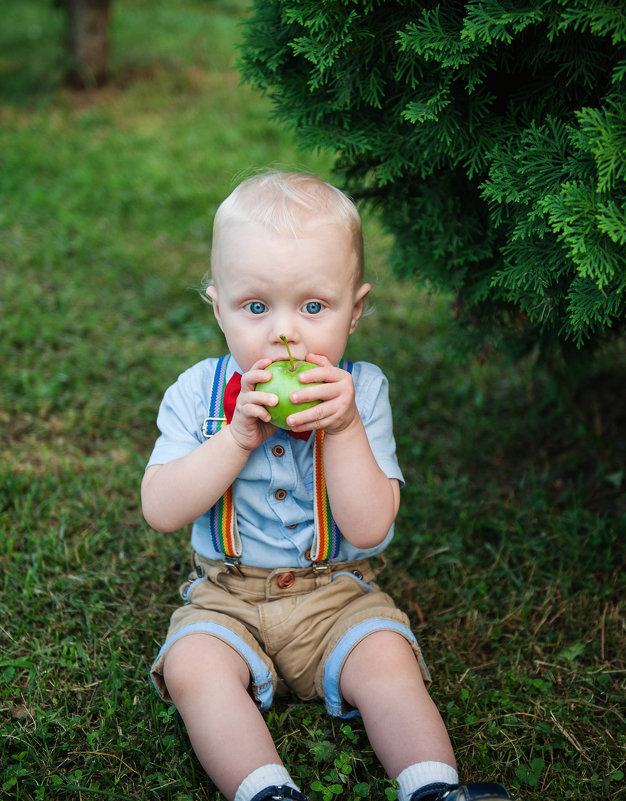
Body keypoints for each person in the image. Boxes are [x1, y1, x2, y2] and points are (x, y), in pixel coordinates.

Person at [142, 171, 512, 801]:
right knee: (192, 666)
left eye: (313, 307)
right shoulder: (196, 394)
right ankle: (265, 791)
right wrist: (233, 439)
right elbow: (161, 509)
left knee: (387, 657)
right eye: (256, 307)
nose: (285, 334)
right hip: (227, 596)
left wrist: (342, 429)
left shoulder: (361, 394)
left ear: (355, 309)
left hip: (335, 596)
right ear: (218, 306)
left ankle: (433, 788)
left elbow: (370, 528)